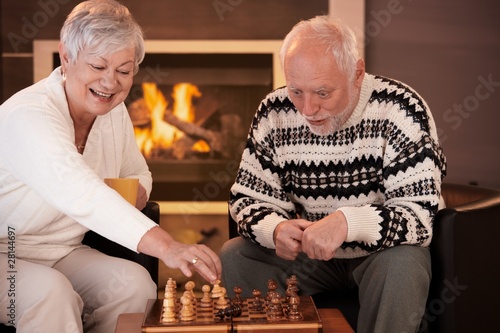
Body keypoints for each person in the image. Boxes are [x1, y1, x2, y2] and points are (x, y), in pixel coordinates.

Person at [0, 1, 221, 332]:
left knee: (135, 285)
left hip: (62, 252)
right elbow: (79, 191)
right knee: (51, 293)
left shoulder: (113, 113)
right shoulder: (28, 115)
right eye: (98, 66)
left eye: (123, 70)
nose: (110, 83)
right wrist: (167, 246)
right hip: (7, 251)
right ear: (66, 57)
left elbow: (137, 173)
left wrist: (127, 200)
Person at [219, 15, 446, 333]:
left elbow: (419, 218)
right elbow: (247, 197)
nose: (307, 109)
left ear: (357, 73)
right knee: (236, 255)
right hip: (308, 256)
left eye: (322, 93)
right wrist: (275, 228)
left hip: (380, 256)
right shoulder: (274, 110)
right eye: (296, 91)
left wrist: (347, 223)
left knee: (403, 262)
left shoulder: (401, 109)